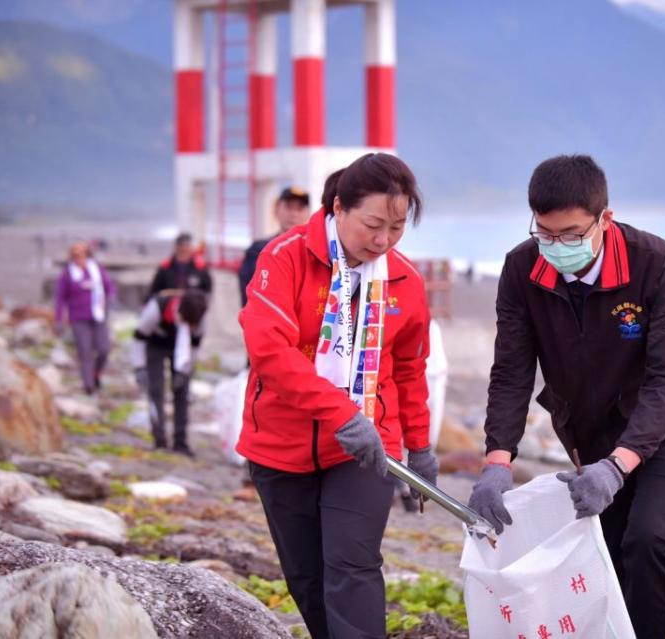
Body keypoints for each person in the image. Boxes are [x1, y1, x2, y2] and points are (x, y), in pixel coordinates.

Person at [467, 155, 665, 638]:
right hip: (591, 428)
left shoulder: (657, 265)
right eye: (546, 233)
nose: (557, 247)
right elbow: (512, 371)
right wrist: (497, 461)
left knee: (648, 540)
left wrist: (618, 465)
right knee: (609, 544)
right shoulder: (521, 269)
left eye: (573, 235)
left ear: (606, 219)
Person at [236, 153, 438, 639]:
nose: (382, 240)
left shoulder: (404, 280)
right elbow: (270, 351)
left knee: (352, 565)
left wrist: (421, 444)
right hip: (282, 445)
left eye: (395, 228)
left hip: (368, 444)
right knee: (307, 578)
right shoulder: (283, 258)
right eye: (372, 224)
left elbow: (409, 368)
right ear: (338, 208)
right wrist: (340, 414)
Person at [131, 290, 208, 456]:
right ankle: (159, 440)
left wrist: (185, 372)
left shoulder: (199, 320)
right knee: (155, 390)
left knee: (182, 392)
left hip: (182, 351)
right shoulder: (157, 308)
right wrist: (139, 367)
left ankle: (180, 442)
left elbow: (194, 349)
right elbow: (138, 338)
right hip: (154, 346)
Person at [54, 242, 116, 394]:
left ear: (86, 255)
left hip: (98, 315)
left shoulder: (96, 269)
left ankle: (96, 373)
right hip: (78, 318)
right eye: (75, 255)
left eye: (81, 254)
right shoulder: (67, 274)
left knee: (104, 349)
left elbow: (109, 288)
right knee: (85, 351)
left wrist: (108, 301)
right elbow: (60, 298)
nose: (78, 258)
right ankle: (88, 386)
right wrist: (59, 319)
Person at [237, 186, 312, 307]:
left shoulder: (314, 252)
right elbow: (248, 296)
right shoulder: (257, 250)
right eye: (288, 207)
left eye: (299, 209)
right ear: (276, 210)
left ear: (308, 213)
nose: (293, 214)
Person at [148, 232, 212, 300]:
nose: (183, 249)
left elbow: (207, 291)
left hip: (194, 306)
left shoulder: (199, 268)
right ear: (176, 248)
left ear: (191, 248)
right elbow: (155, 290)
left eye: (186, 246)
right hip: (167, 305)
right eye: (181, 246)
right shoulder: (165, 267)